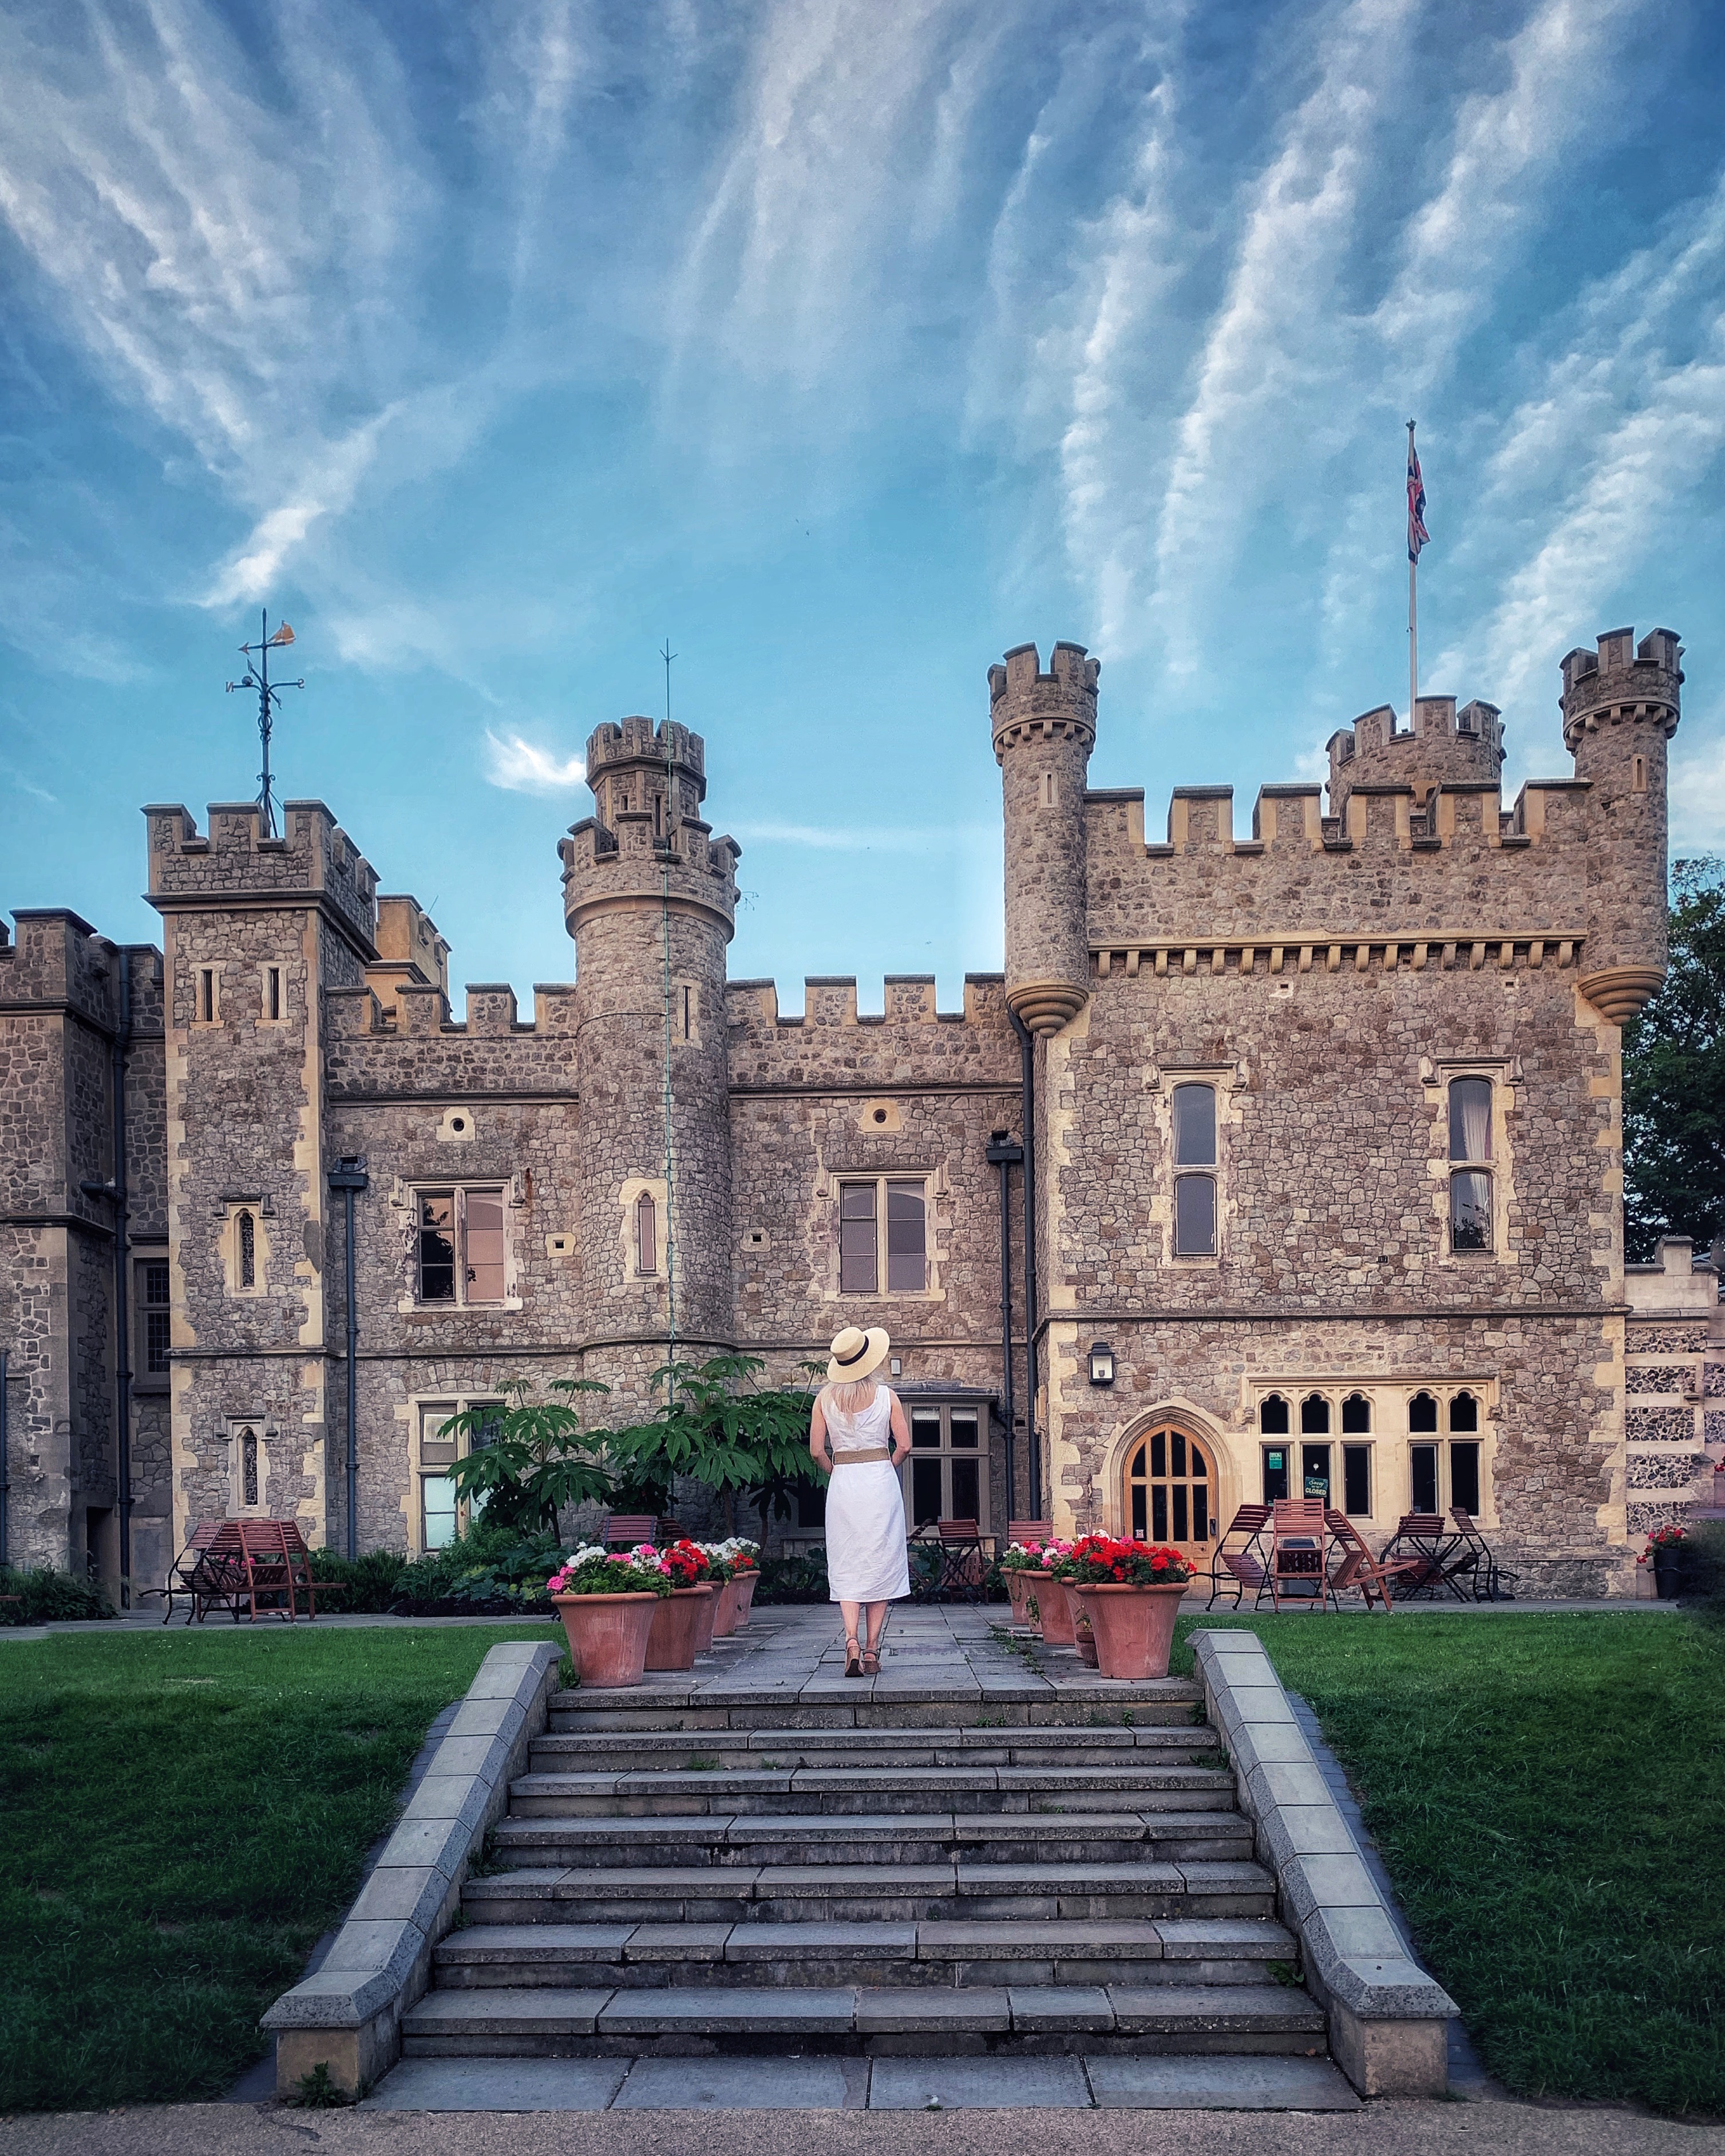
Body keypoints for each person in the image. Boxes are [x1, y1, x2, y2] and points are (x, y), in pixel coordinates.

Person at [810, 1325, 911, 1676]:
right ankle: (870, 1651)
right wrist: (887, 1465)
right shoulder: (888, 1396)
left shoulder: (824, 1399)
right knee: (880, 1561)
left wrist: (835, 1469)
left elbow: (815, 1451)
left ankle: (850, 1640)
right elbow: (905, 1446)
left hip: (844, 1484)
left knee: (847, 1559)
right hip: (879, 1482)